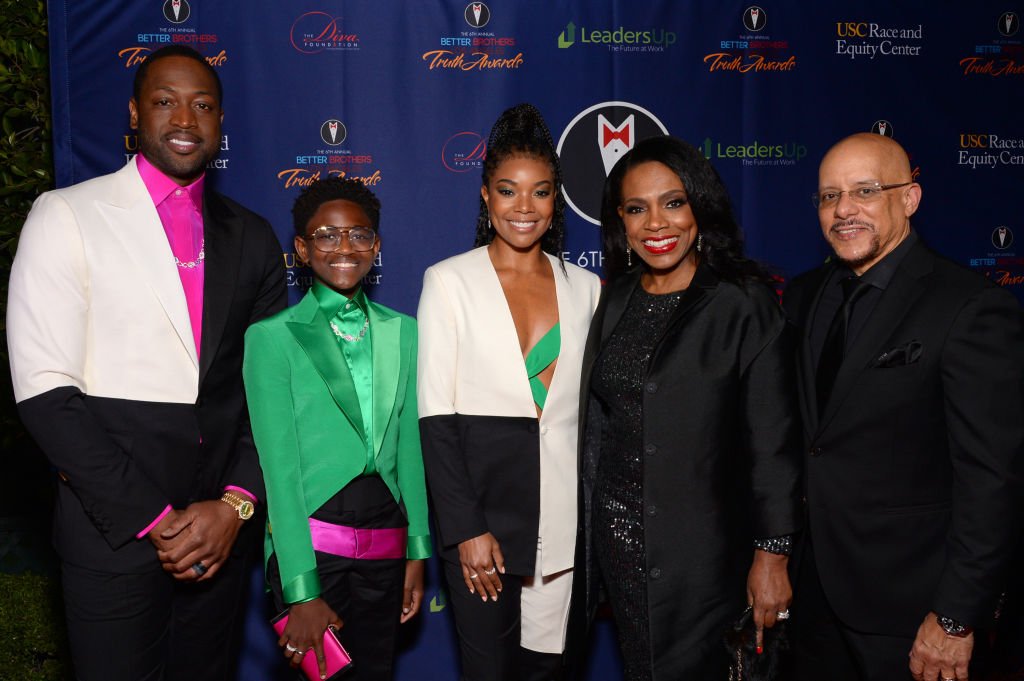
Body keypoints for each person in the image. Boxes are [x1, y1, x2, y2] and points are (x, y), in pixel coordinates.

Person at [6, 45, 286, 680]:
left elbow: (271, 391)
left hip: (219, 540)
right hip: (113, 534)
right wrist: (156, 521)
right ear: (134, 115)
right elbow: (45, 393)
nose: (184, 117)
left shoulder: (254, 236)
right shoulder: (67, 215)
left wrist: (235, 505)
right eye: (165, 101)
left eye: (203, 104)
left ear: (221, 123)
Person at [783, 132, 1024, 681]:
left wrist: (957, 616)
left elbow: (992, 480)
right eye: (828, 196)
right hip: (815, 595)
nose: (843, 210)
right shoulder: (805, 294)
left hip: (912, 608)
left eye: (865, 191)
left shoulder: (968, 306)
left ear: (909, 199)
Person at [578, 135, 802, 679]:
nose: (657, 223)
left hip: (706, 556)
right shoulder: (616, 298)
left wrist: (772, 556)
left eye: (673, 202)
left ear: (700, 206)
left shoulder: (742, 303)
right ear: (621, 222)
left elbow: (773, 441)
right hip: (620, 545)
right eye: (637, 208)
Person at [417, 103, 601, 681]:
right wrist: (466, 528)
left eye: (541, 192)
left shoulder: (588, 288)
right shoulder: (449, 281)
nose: (524, 207)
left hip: (565, 529)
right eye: (507, 190)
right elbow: (435, 421)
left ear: (557, 199)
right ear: (485, 195)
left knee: (550, 671)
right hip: (484, 526)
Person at [243, 177, 431, 680]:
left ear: (377, 245)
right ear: (302, 250)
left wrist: (417, 550)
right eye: (326, 236)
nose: (344, 247)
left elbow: (410, 447)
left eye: (359, 235)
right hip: (310, 553)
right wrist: (301, 589)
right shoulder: (270, 339)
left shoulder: (404, 331)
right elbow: (278, 473)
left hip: (387, 550)